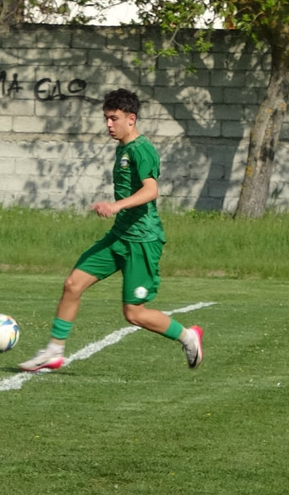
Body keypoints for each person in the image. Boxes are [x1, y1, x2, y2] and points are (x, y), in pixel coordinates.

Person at [19, 88, 204, 372]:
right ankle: (54, 351)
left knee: (134, 314)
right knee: (72, 284)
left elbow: (151, 190)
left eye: (114, 118)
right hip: (119, 236)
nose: (108, 124)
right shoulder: (123, 149)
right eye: (106, 118)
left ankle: (187, 335)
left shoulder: (142, 149)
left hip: (142, 240)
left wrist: (117, 206)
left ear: (131, 119)